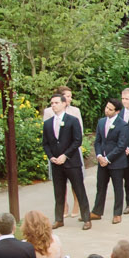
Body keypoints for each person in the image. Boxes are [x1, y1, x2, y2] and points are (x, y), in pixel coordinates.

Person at [41, 91, 89, 229]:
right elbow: (45, 143)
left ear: (63, 104)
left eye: (56, 103)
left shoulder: (72, 120)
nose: (53, 106)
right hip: (56, 163)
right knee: (59, 192)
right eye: (52, 103)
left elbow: (77, 140)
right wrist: (51, 157)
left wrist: (65, 155)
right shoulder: (48, 123)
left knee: (79, 190)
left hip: (71, 162)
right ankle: (59, 219)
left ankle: (86, 218)